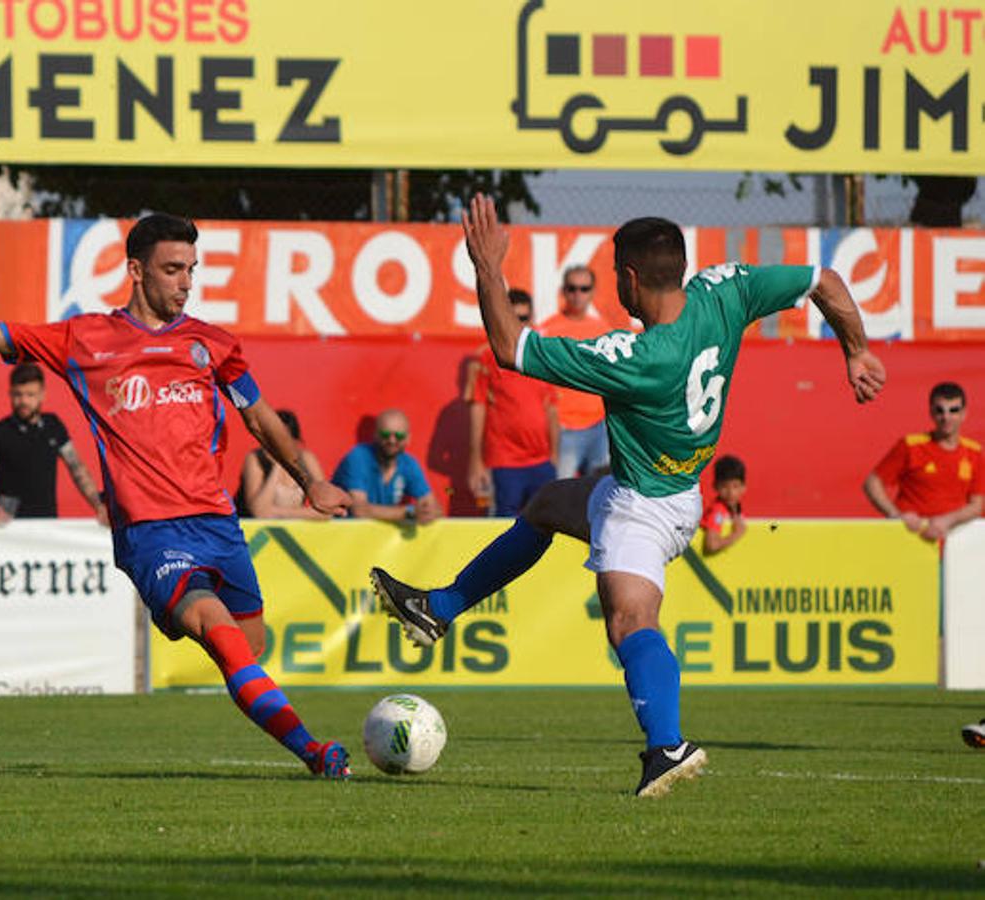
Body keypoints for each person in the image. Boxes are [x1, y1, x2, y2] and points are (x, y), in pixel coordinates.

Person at [371, 195, 883, 798]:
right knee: (546, 506)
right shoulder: (725, 291)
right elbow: (822, 278)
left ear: (631, 278)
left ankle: (667, 746)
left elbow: (511, 349)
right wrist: (857, 350)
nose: (616, 284)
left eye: (616, 273)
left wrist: (487, 266)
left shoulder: (639, 359)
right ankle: (442, 607)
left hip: (642, 505)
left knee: (629, 620)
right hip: (670, 488)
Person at [0, 212, 357, 778]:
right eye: (172, 270)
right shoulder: (84, 339)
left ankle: (245, 676)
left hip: (218, 524)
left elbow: (258, 416)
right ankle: (316, 752)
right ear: (136, 271)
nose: (185, 282)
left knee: (249, 644)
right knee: (222, 633)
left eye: (191, 269)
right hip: (151, 533)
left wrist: (310, 480)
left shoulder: (214, 345)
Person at [0, 362, 107, 524]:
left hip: (48, 527)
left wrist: (98, 505)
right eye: (18, 394)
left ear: (42, 394)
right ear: (10, 393)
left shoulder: (53, 425)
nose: (23, 401)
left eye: (30, 395)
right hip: (9, 530)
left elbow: (77, 469)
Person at [468, 289, 559, 516]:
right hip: (505, 463)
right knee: (504, 528)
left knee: (544, 527)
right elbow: (477, 408)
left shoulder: (541, 353)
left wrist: (554, 456)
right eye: (515, 318)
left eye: (525, 318)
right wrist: (476, 461)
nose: (520, 325)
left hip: (541, 462)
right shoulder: (487, 357)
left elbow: (551, 409)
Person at [862, 382, 982, 542]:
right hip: (910, 540)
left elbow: (977, 505)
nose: (946, 417)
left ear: (964, 413)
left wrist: (947, 521)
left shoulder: (975, 452)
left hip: (954, 544)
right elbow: (872, 483)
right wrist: (895, 515)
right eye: (940, 410)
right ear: (931, 411)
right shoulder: (910, 446)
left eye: (953, 410)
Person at [540, 264, 612, 477]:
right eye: (572, 288)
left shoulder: (603, 330)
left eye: (584, 288)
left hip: (600, 426)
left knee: (601, 493)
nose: (577, 295)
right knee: (560, 493)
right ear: (563, 291)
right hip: (564, 428)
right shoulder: (546, 330)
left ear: (593, 292)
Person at [332, 410, 442, 525]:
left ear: (408, 439)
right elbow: (359, 511)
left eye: (399, 436)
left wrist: (429, 512)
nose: (392, 440)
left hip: (377, 537)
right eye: (385, 434)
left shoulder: (409, 464)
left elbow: (434, 507)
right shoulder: (358, 457)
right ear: (375, 435)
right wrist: (410, 512)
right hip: (341, 536)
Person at [241, 410, 329, 519]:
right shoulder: (255, 459)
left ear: (295, 441)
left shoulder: (306, 459)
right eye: (272, 440)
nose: (276, 446)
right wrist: (279, 464)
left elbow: (327, 511)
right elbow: (258, 512)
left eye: (282, 441)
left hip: (293, 530)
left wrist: (276, 512)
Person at [699, 455, 748, 556]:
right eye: (724, 486)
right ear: (715, 486)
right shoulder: (717, 512)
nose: (731, 492)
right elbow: (711, 545)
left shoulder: (735, 509)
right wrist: (737, 533)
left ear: (743, 487)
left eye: (735, 486)